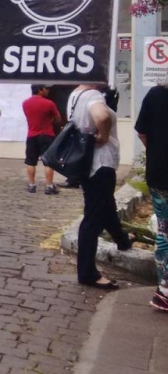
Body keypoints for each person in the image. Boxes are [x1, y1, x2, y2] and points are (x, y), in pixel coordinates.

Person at [70, 83, 130, 289]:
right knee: (93, 218)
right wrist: (103, 135)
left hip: (90, 165)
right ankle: (87, 273)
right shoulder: (93, 95)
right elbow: (102, 116)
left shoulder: (76, 94)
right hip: (101, 164)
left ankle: (122, 240)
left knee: (105, 206)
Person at [136, 82, 168, 310]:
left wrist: (158, 150)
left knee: (165, 231)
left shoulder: (156, 94)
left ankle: (164, 291)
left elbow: (142, 132)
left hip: (160, 173)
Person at [23, 84, 62, 195]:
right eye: (46, 88)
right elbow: (58, 119)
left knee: (30, 161)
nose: (48, 90)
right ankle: (49, 186)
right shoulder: (49, 103)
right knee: (48, 162)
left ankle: (31, 185)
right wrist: (51, 121)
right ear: (40, 90)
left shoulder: (25, 103)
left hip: (31, 134)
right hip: (46, 134)